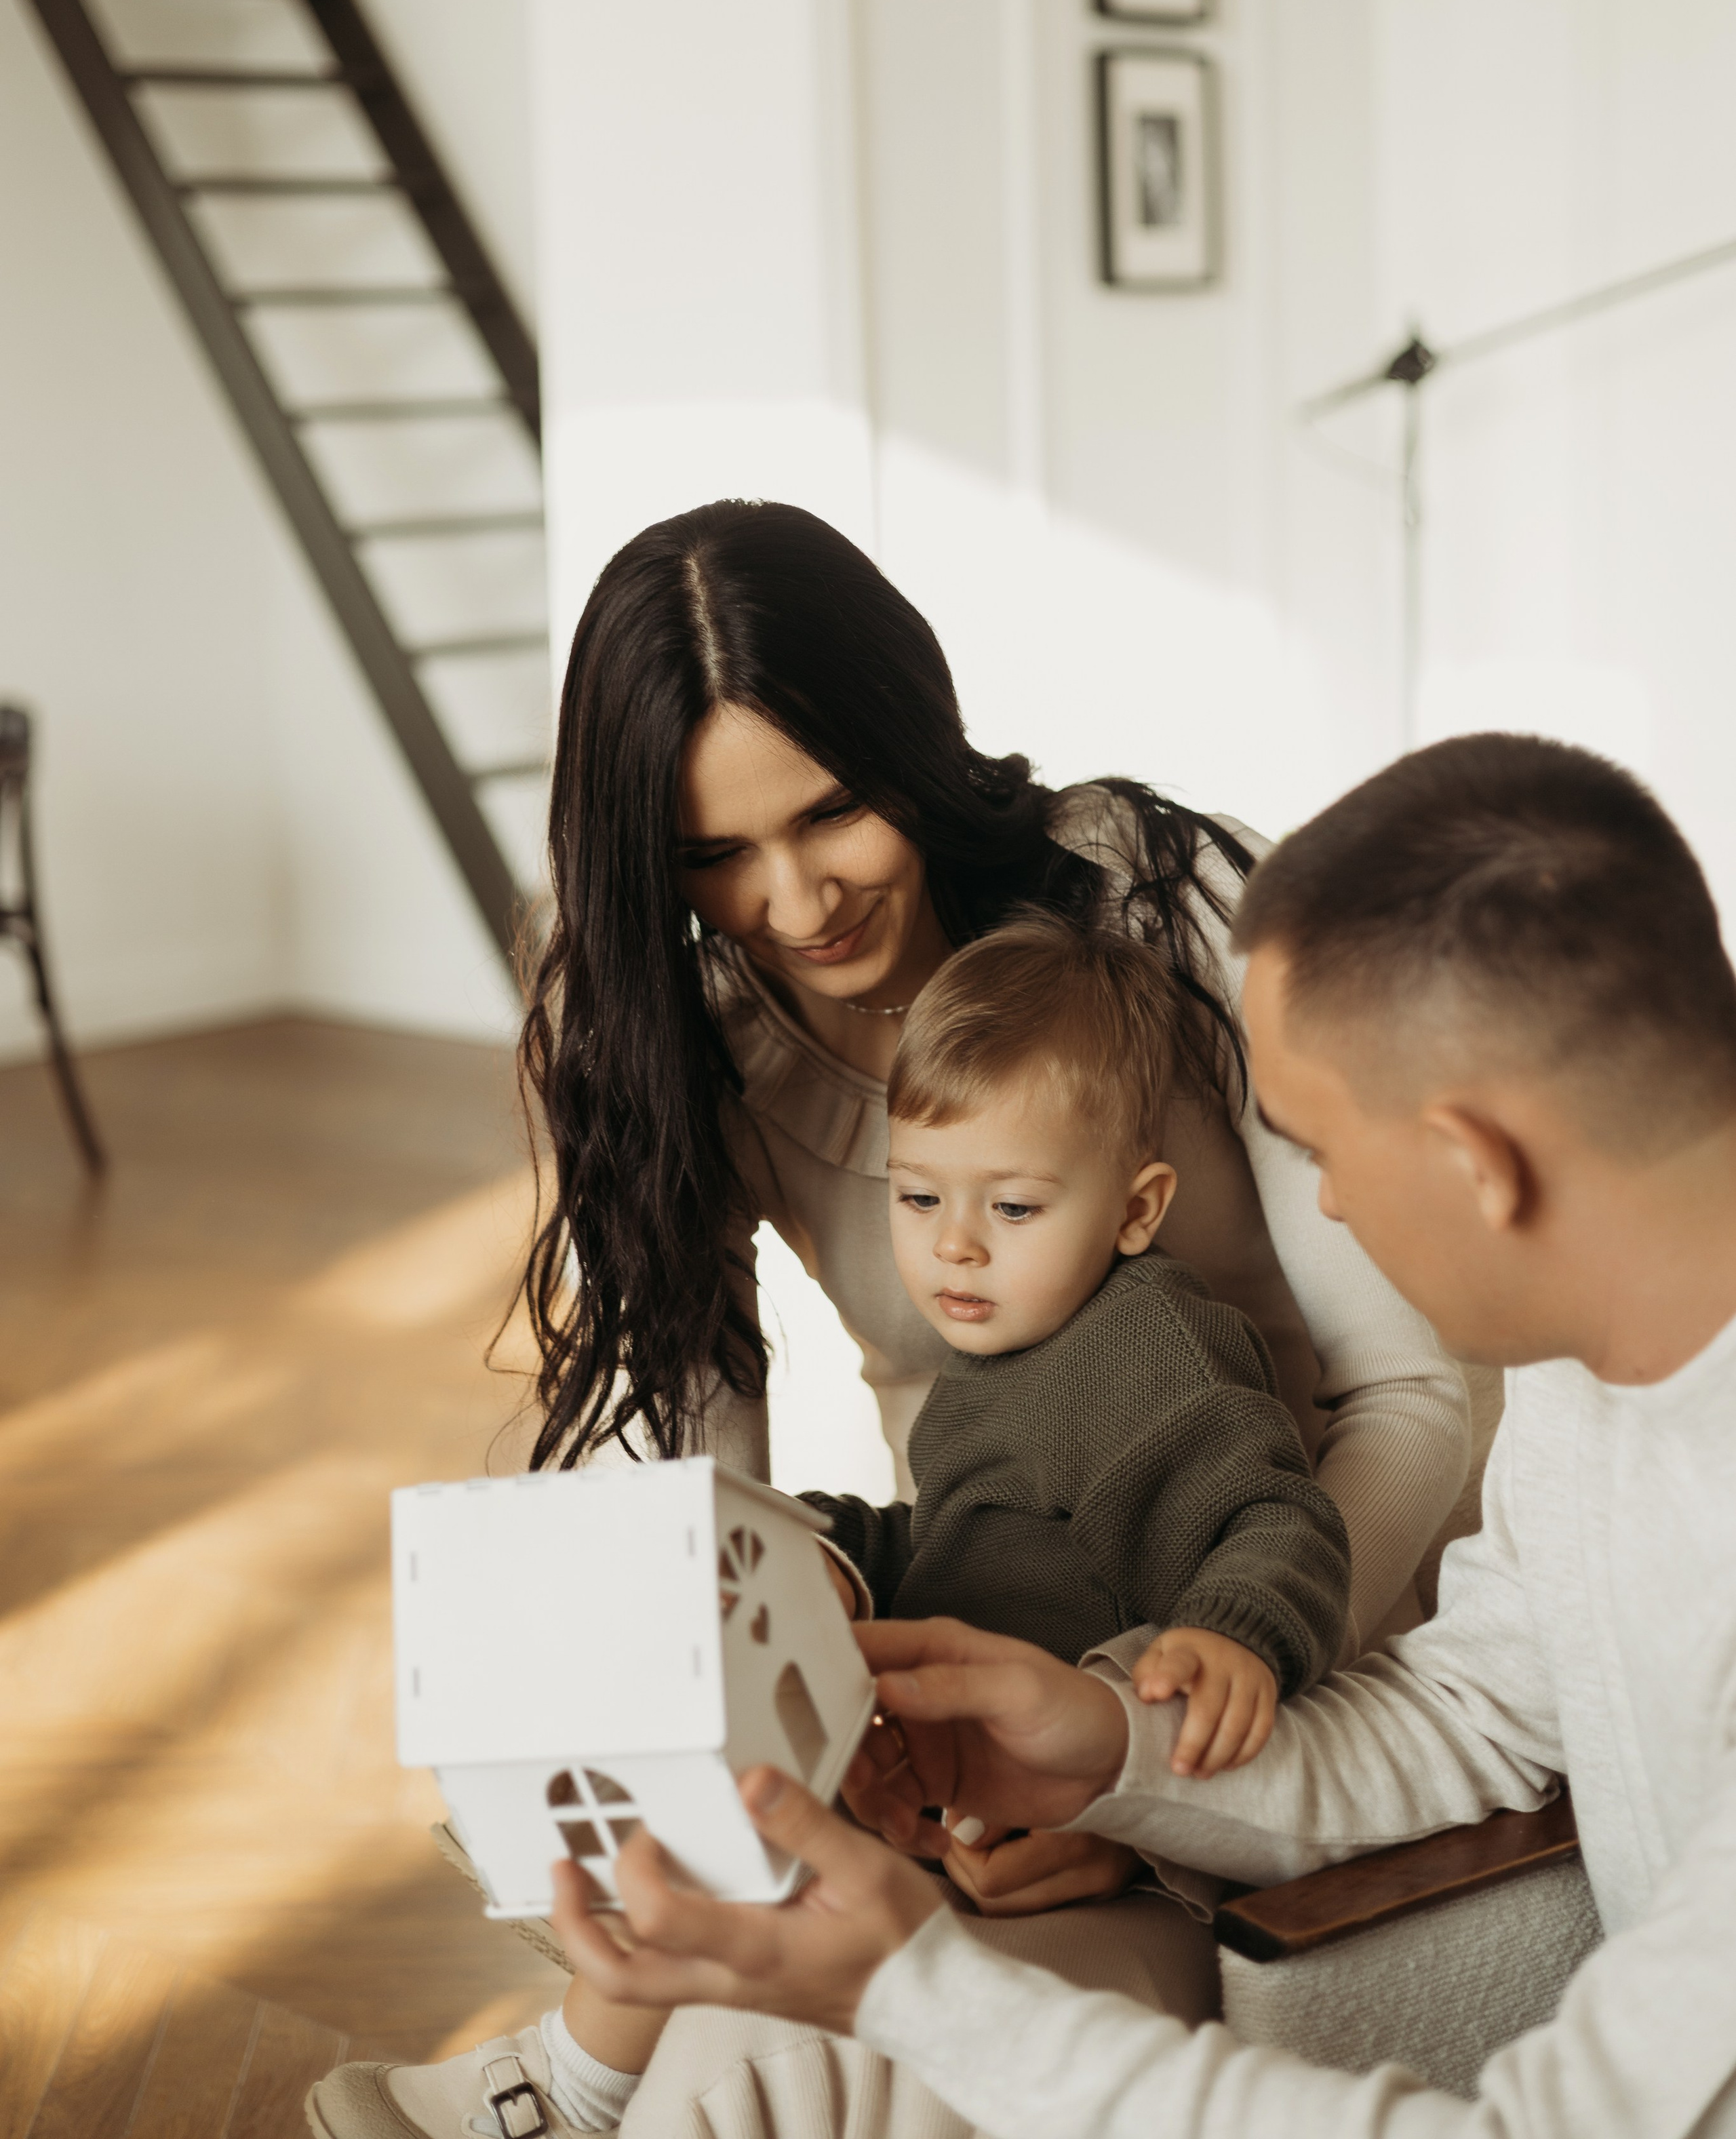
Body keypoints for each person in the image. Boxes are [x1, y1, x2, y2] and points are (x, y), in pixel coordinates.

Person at [309, 502, 1467, 2139]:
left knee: (787, 2061)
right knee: (736, 1987)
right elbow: (695, 1495)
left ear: (910, 747)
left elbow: (1415, 1388)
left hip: (1277, 1610)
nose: (790, 899)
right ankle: (571, 2070)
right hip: (992, 1612)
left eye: (831, 809)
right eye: (711, 853)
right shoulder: (667, 1015)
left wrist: (1143, 1744)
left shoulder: (1164, 905)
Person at [542, 732, 1736, 2139]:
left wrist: (914, 1988)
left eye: (1318, 1149)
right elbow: (1472, 1712)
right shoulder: (1577, 1378)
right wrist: (1109, 1747)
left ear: (1474, 1161)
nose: (1328, 1214)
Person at [804, 916, 1350, 1777]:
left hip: (1097, 1778)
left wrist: (1227, 1633)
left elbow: (1272, 1519)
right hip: (962, 1757)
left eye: (1012, 1207)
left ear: (1136, 1212)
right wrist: (834, 1544)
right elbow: (964, 1554)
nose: (955, 1245)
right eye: (917, 1198)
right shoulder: (997, 1355)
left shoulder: (1144, 1348)